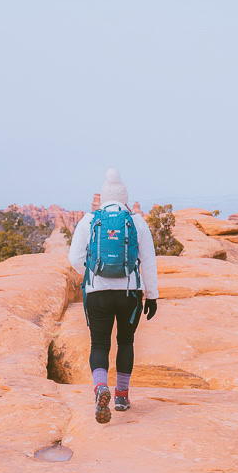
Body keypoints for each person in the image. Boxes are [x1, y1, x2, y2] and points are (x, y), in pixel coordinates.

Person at [68, 168, 159, 424]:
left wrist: (92, 275)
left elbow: (74, 258)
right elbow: (148, 262)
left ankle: (100, 389)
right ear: (125, 198)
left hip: (97, 292)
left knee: (99, 344)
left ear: (104, 197)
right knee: (126, 342)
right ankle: (121, 396)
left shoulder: (88, 220)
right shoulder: (137, 221)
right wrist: (151, 296)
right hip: (129, 293)